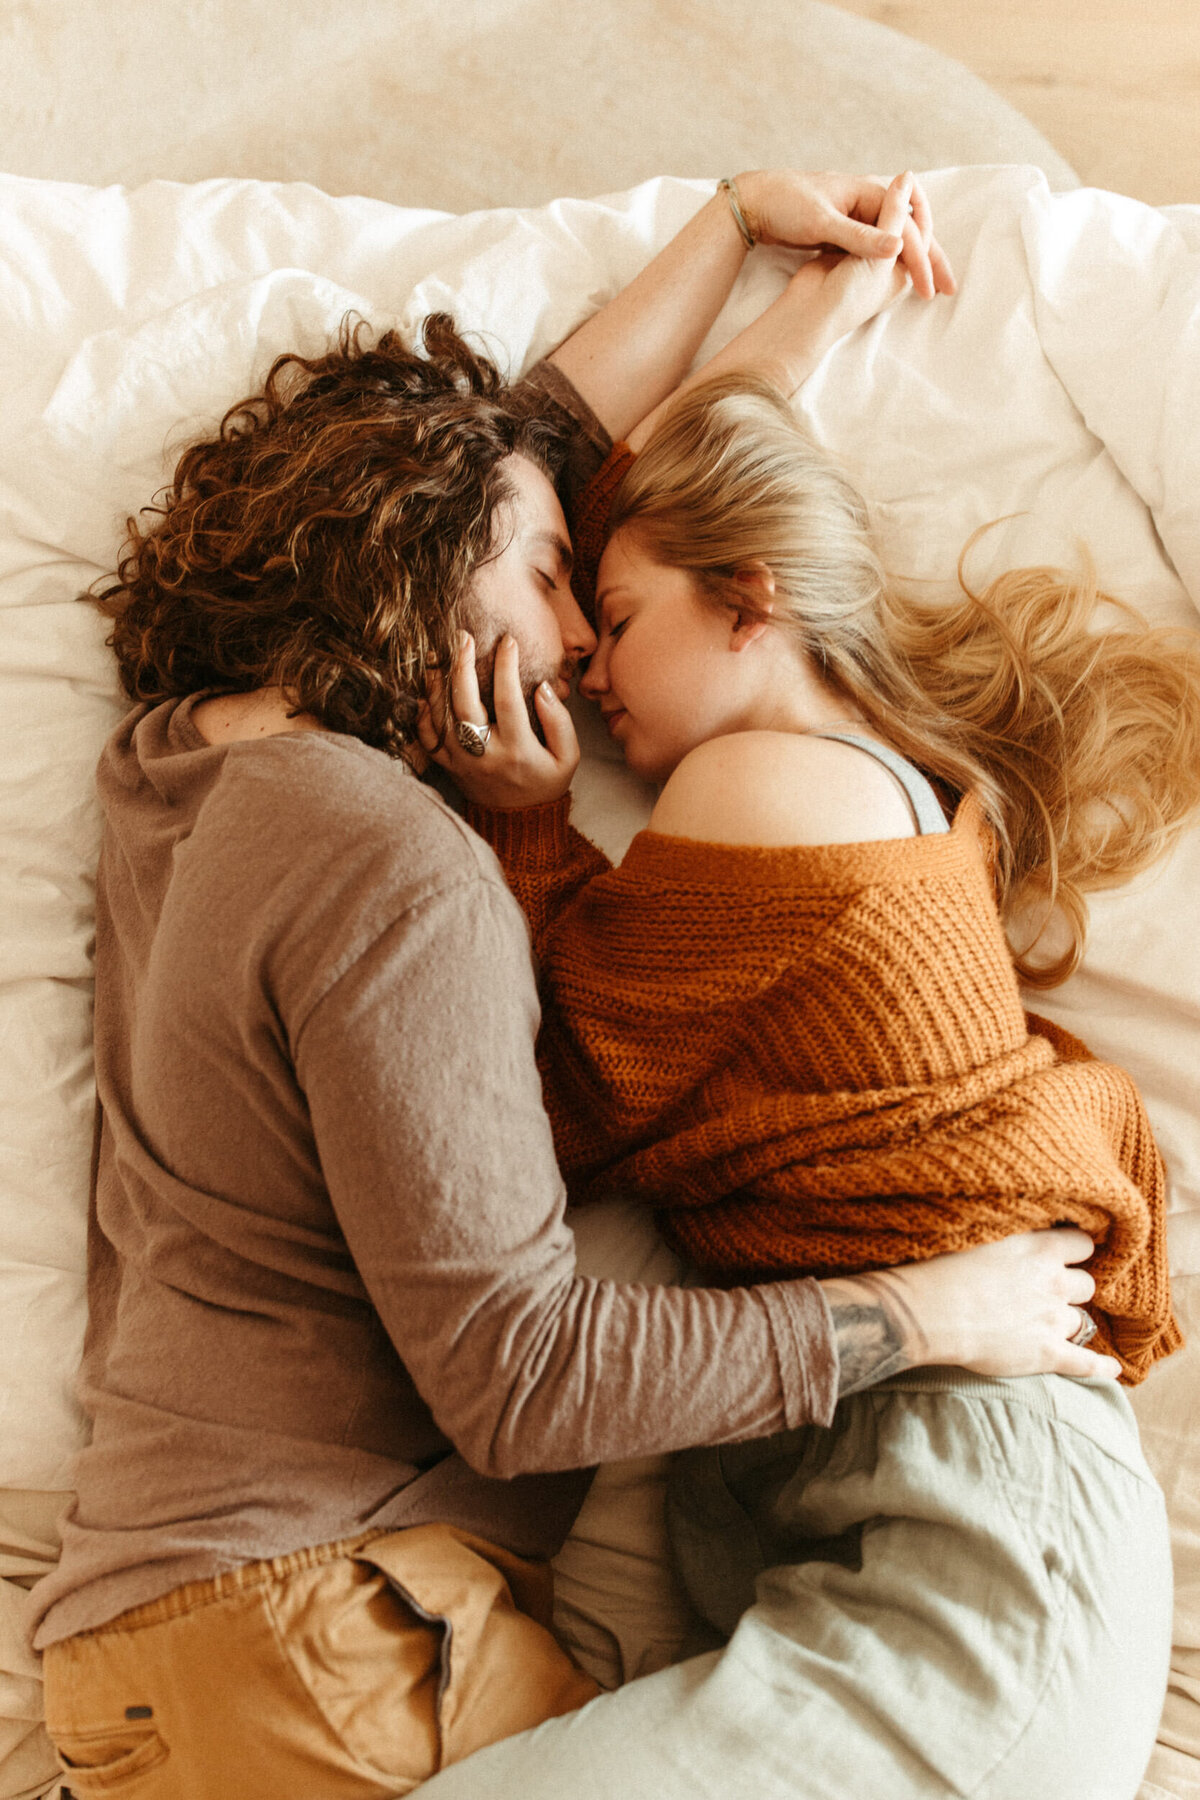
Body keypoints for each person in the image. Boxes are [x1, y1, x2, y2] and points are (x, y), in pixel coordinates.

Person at [34, 171, 1116, 1800]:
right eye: (554, 583)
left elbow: (506, 455)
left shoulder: (175, 761)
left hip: (178, 1637)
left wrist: (748, 240)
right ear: (409, 553)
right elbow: (519, 1370)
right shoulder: (401, 862)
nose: (575, 655)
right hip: (326, 1632)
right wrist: (914, 1317)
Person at [419, 172, 1200, 1798]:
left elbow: (558, 1095)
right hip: (942, 1538)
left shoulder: (761, 790)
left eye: (613, 621)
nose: (580, 659)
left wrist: (524, 818)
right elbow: (670, 489)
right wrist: (800, 288)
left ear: (752, 601)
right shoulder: (879, 775)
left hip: (973, 1560)